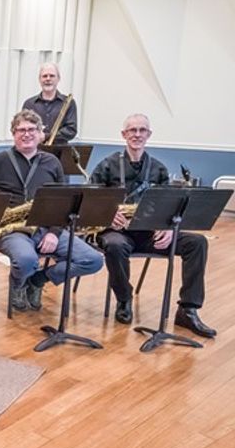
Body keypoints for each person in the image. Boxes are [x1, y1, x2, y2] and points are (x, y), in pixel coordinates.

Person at [90, 114, 215, 337]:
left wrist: (168, 228)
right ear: (124, 134)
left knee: (197, 242)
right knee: (115, 246)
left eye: (142, 130)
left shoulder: (158, 169)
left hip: (150, 234)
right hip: (117, 233)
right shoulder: (107, 166)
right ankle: (124, 299)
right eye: (132, 130)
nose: (137, 134)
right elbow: (91, 200)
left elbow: (169, 206)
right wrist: (107, 214)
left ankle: (188, 309)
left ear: (149, 134)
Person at [0, 109, 103, 311]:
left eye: (31, 129)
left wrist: (54, 233)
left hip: (48, 227)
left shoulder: (52, 162)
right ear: (14, 134)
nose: (26, 134)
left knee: (93, 260)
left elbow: (64, 203)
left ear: (40, 134)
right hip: (14, 230)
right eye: (21, 130)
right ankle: (18, 285)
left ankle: (38, 280)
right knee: (28, 260)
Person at [22, 62, 77, 144]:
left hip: (59, 152)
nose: (48, 79)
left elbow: (71, 130)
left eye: (52, 76)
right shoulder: (29, 104)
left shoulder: (68, 102)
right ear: (39, 79)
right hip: (34, 151)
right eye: (44, 76)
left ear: (58, 79)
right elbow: (22, 128)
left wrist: (46, 136)